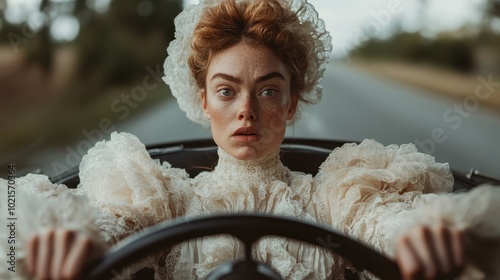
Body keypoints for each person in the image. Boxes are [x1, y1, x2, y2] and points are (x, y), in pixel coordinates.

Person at [1, 0, 499, 279]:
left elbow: (385, 221)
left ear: (292, 103)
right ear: (204, 101)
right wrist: (63, 243)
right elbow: (102, 225)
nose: (246, 110)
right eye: (227, 91)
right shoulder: (166, 198)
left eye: (268, 90)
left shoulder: (335, 196)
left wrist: (419, 238)